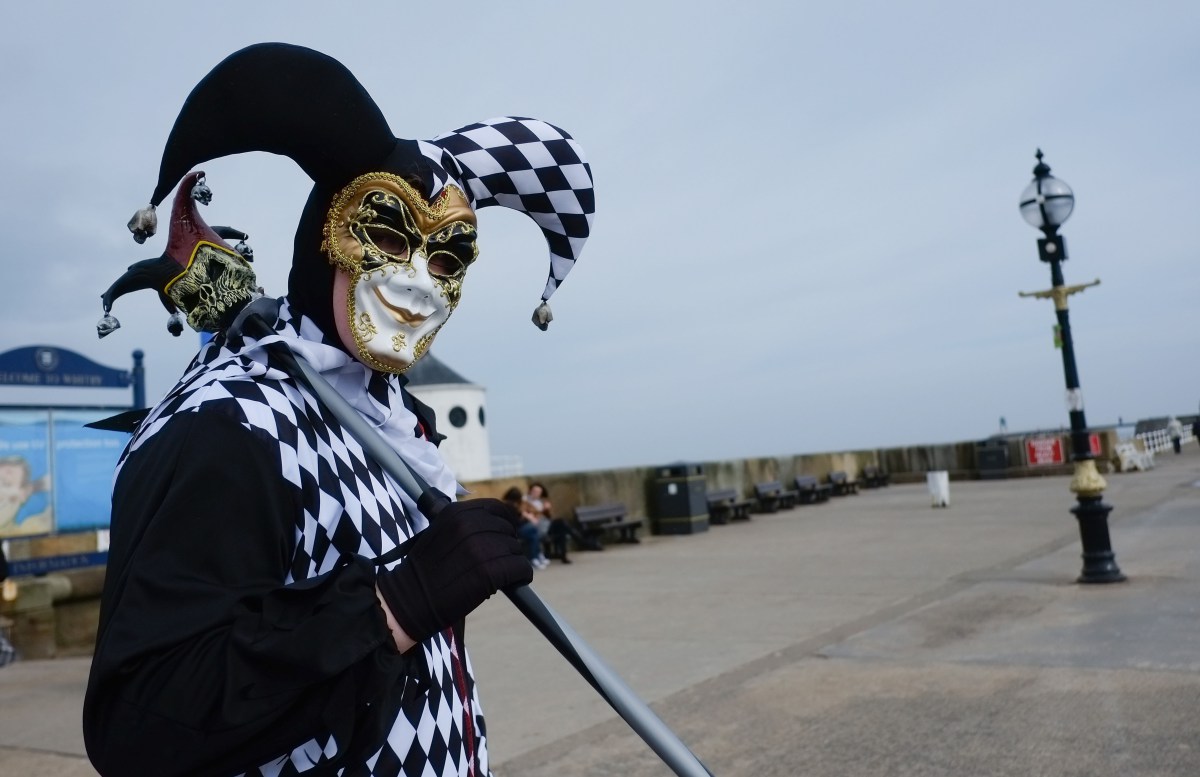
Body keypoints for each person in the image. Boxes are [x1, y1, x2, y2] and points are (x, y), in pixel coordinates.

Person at [83, 43, 594, 777]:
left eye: (446, 260)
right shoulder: (227, 426)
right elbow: (138, 723)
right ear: (327, 232)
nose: (419, 285)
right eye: (388, 237)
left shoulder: (391, 417)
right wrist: (393, 605)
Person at [503, 486, 549, 570]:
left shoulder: (508, 505)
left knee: (534, 536)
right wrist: (526, 519)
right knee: (534, 529)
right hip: (515, 530)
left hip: (515, 529)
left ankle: (535, 557)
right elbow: (516, 522)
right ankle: (537, 556)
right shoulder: (510, 506)